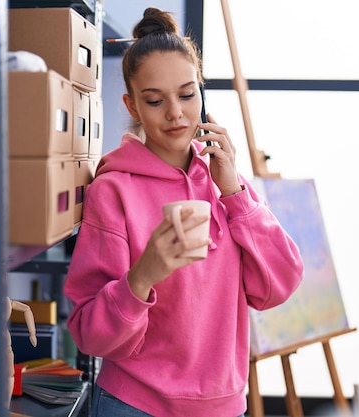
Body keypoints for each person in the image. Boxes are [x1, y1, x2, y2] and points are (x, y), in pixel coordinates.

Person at [63, 7, 304, 417]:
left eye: (187, 94)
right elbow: (91, 334)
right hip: (134, 405)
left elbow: (278, 285)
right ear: (133, 106)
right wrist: (143, 276)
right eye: (155, 101)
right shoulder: (113, 190)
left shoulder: (226, 183)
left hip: (224, 407)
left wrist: (234, 192)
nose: (175, 113)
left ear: (202, 93)